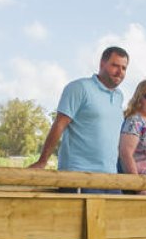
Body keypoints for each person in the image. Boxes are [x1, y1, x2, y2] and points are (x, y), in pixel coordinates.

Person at [30, 47, 129, 193]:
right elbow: (59, 125)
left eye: (124, 68)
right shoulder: (79, 88)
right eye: (115, 65)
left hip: (110, 178)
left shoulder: (119, 96)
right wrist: (42, 161)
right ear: (102, 64)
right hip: (79, 176)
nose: (120, 72)